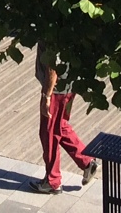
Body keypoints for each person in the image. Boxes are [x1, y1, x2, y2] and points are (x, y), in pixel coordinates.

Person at [32, 42, 98, 194]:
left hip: (57, 90)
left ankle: (52, 181)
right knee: (59, 125)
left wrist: (46, 96)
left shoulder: (51, 30)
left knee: (48, 133)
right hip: (69, 84)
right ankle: (87, 162)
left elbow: (53, 65)